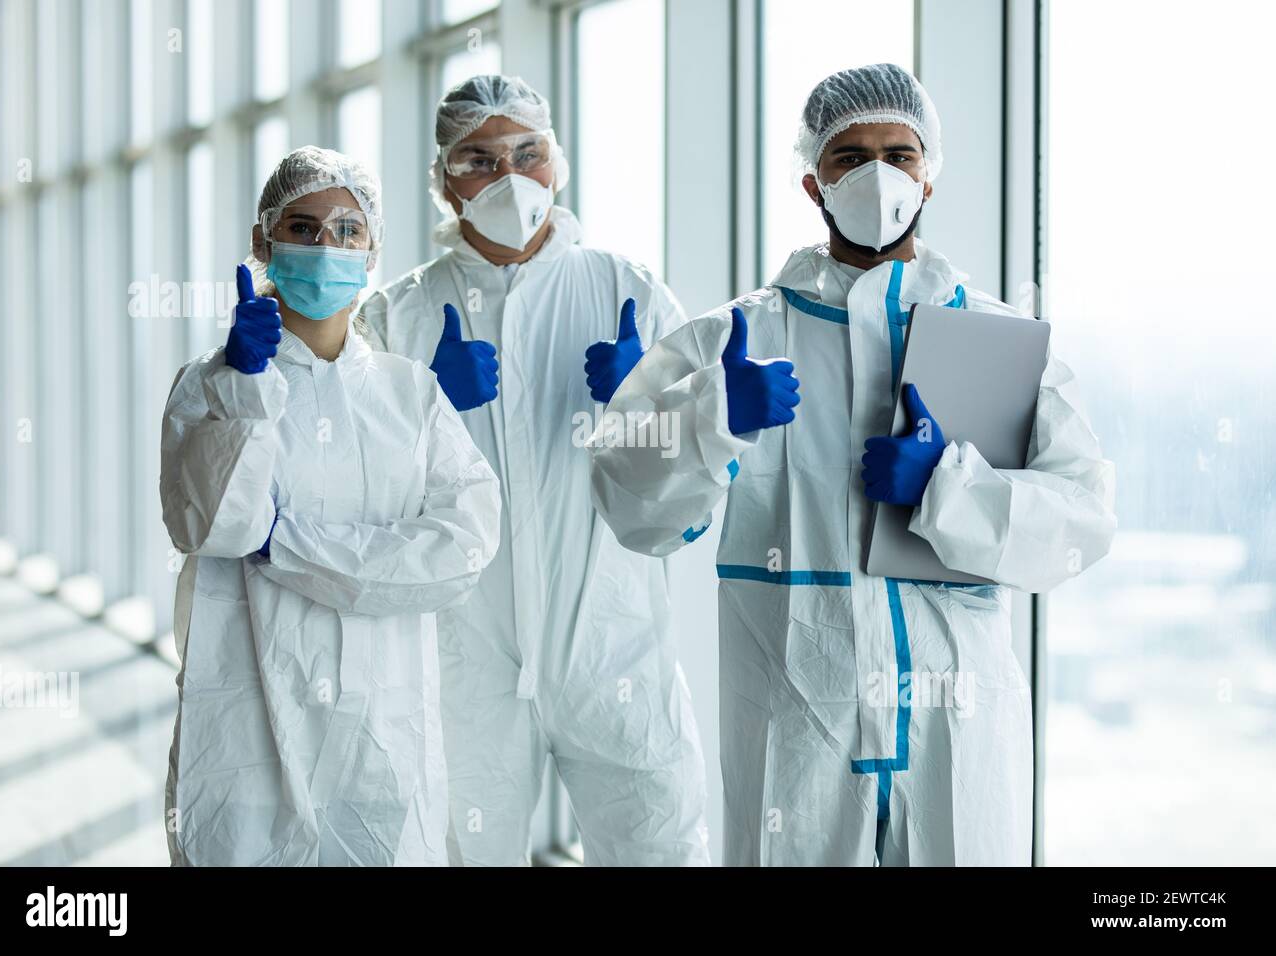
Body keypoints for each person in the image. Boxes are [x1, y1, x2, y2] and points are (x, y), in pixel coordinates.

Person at [588, 64, 1117, 866]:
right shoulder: (734, 339)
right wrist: (710, 419)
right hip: (797, 718)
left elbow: (1083, 522)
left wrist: (951, 489)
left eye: (898, 155)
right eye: (849, 157)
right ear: (813, 182)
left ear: (928, 178)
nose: (877, 175)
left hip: (956, 719)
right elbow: (632, 507)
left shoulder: (999, 341)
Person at [357, 75, 709, 866]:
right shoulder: (397, 316)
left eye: (528, 153)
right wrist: (422, 407)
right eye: (479, 159)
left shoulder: (628, 292)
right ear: (444, 181)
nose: (509, 178)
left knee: (659, 847)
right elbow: (360, 498)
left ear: (559, 162)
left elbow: (688, 501)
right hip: (459, 660)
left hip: (612, 651)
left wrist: (644, 408)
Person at [160, 146, 502, 866]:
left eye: (348, 231)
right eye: (304, 228)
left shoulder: (411, 394)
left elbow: (461, 552)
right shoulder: (208, 387)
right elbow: (218, 526)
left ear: (373, 249)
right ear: (263, 244)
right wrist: (247, 393)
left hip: (384, 742)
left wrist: (286, 545)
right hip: (244, 741)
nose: (326, 248)